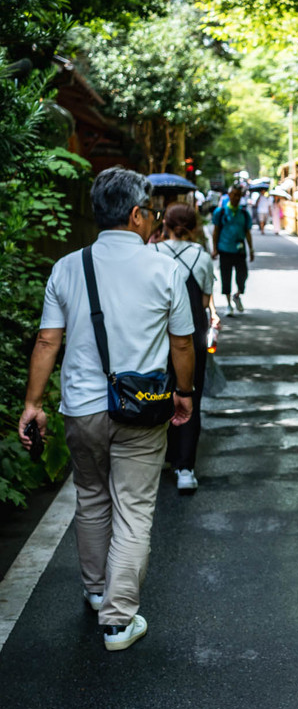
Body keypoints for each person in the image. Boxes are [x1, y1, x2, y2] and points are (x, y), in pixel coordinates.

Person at [17, 167, 195, 652]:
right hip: (142, 409)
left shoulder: (67, 267)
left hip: (82, 409)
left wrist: (33, 404)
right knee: (133, 509)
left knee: (92, 498)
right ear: (138, 215)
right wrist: (185, 392)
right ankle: (118, 620)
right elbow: (182, 344)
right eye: (152, 213)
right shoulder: (165, 269)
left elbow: (48, 339)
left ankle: (97, 592)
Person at [154, 202, 219, 494]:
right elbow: (205, 303)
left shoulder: (152, 253)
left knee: (156, 395)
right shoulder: (201, 257)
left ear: (164, 224)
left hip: (155, 337)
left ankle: (160, 457)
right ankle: (185, 468)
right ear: (194, 227)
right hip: (192, 337)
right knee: (189, 398)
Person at [212, 184, 254, 313]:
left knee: (243, 275)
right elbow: (216, 231)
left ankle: (238, 295)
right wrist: (215, 248)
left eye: (238, 195)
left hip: (240, 250)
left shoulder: (244, 213)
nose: (236, 197)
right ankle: (228, 304)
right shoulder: (221, 212)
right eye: (233, 194)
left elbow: (247, 232)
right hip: (225, 249)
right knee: (226, 277)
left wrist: (251, 249)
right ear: (229, 195)